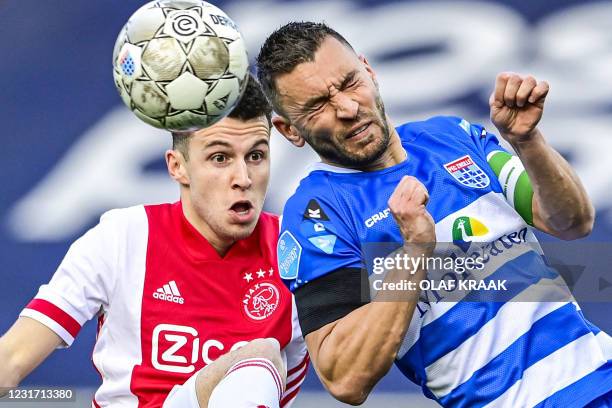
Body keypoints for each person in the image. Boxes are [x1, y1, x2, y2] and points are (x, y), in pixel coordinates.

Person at [256, 21, 612, 407]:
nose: (347, 108)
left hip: (601, 372)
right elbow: (344, 377)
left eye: (349, 82)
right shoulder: (317, 213)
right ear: (289, 130)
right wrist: (414, 252)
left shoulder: (451, 135)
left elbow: (573, 221)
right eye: (318, 106)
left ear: (369, 70)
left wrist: (528, 141)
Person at [0, 75, 308, 408]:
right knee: (257, 357)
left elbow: (363, 353)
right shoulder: (122, 238)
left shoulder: (300, 251)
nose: (243, 179)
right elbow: (12, 359)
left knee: (258, 360)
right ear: (178, 168)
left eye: (256, 156)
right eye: (220, 158)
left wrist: (376, 225)